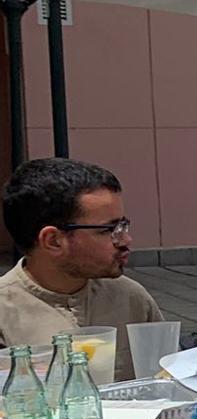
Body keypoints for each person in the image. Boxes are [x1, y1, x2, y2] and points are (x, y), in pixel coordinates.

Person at [0, 158, 164, 381]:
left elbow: (168, 383)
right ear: (53, 240)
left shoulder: (131, 298)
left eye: (124, 226)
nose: (126, 239)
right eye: (109, 230)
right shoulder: (6, 311)